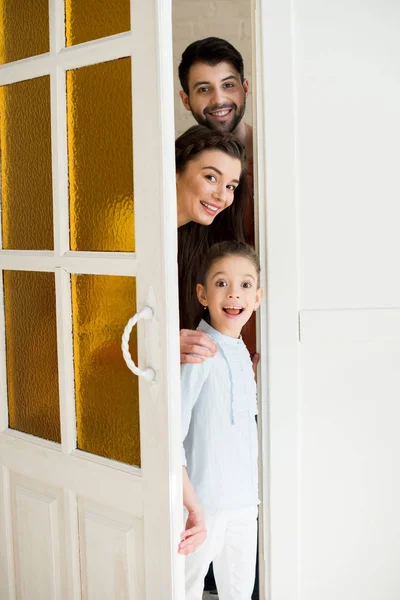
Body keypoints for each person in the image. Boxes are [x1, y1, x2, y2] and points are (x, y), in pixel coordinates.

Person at [177, 241, 263, 600]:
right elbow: (171, 435)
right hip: (203, 504)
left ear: (257, 297)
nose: (234, 294)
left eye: (245, 285)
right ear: (202, 293)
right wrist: (191, 505)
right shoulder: (198, 350)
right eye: (221, 283)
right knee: (184, 589)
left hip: (244, 502)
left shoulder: (243, 352)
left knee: (240, 592)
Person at [178, 37, 257, 361]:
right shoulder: (183, 173)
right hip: (206, 339)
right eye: (203, 89)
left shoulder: (278, 160)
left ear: (245, 87)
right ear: (186, 100)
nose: (219, 99)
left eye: (228, 85)